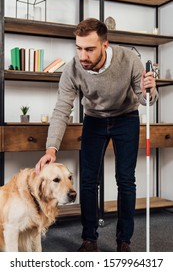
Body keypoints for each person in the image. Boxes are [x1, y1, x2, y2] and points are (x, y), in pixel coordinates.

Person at [36, 18, 158, 252]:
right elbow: (62, 108)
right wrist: (51, 149)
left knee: (125, 179)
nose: (83, 56)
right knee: (89, 180)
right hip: (94, 120)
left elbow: (145, 100)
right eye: (79, 48)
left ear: (105, 45)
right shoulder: (73, 68)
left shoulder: (129, 59)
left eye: (90, 49)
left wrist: (149, 91)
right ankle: (89, 239)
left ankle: (124, 241)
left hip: (126, 117)